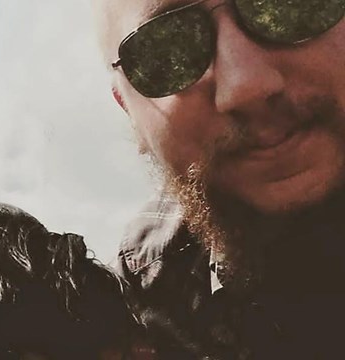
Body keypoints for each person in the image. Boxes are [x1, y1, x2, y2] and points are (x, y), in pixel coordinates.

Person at [92, 0, 345, 358]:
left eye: (290, 4)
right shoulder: (136, 305)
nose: (247, 87)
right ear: (128, 112)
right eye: (167, 47)